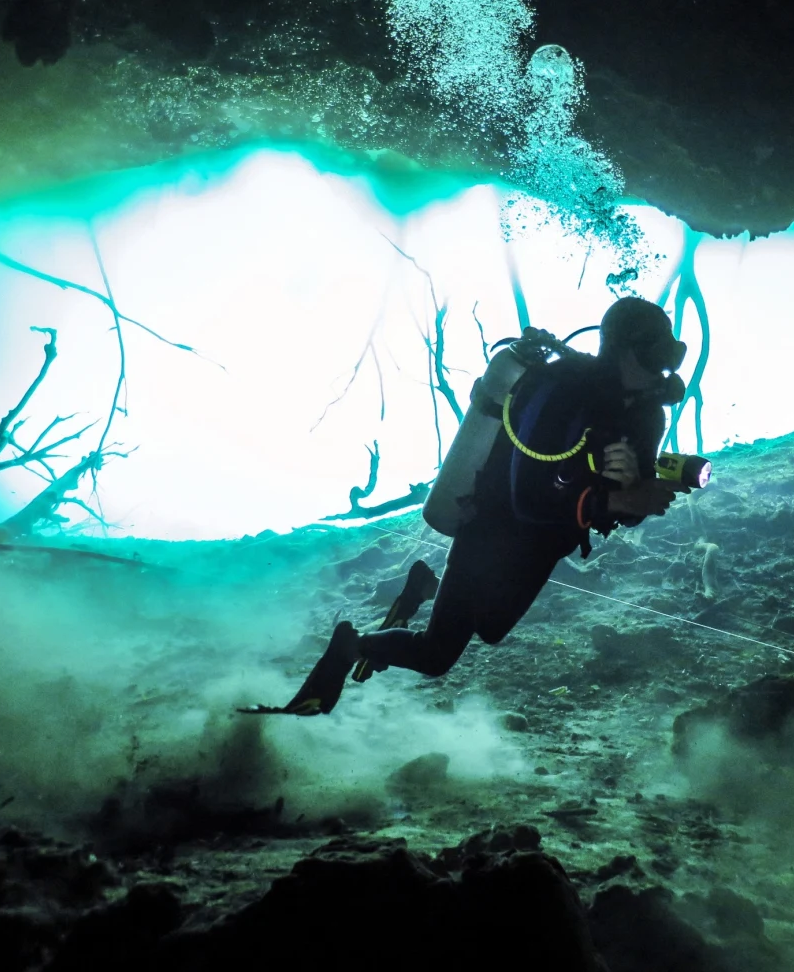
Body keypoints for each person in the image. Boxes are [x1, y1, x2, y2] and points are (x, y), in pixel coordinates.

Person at [288, 297, 687, 714]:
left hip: (551, 540)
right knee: (436, 656)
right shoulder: (561, 389)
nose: (661, 371)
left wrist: (634, 493)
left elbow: (629, 511)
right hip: (493, 528)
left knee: (493, 629)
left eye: (666, 356)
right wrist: (620, 496)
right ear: (619, 350)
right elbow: (527, 497)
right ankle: (349, 647)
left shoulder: (645, 416)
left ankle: (426, 589)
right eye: (650, 356)